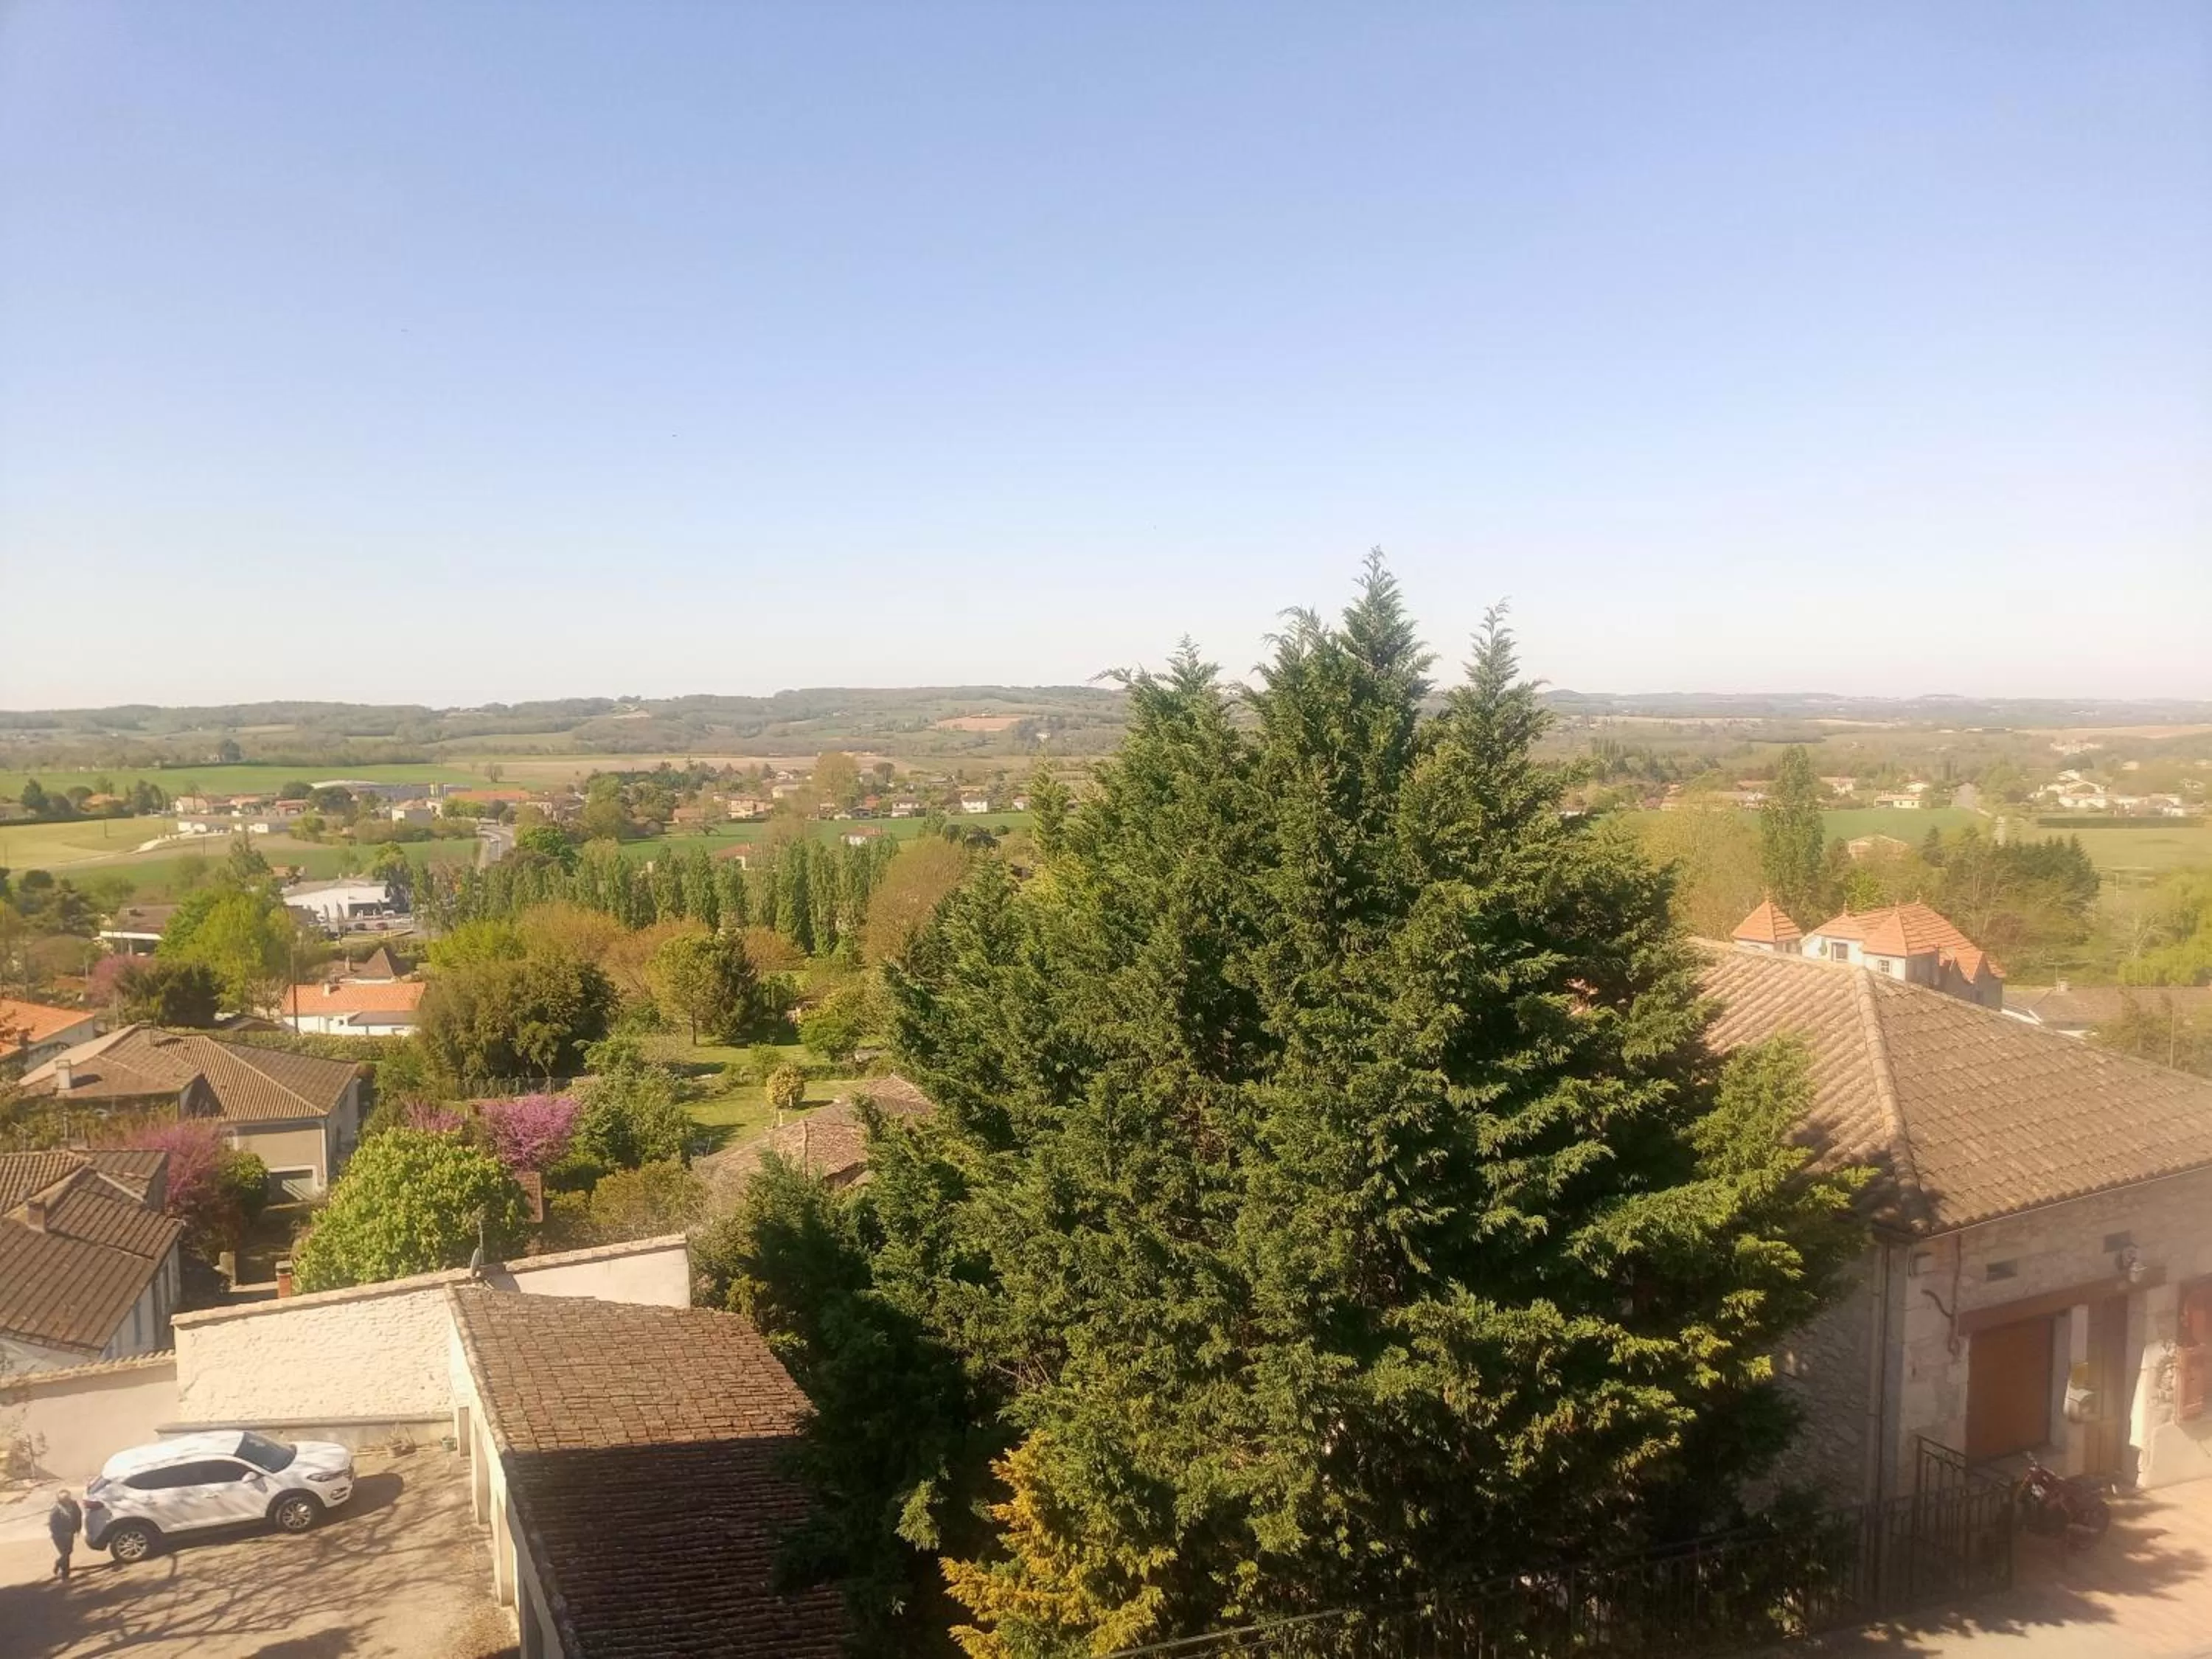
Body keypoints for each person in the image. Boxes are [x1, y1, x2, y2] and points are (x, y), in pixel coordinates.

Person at [48, 1487, 81, 1583]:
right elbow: (53, 1525)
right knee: (65, 1553)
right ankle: (65, 1574)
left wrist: (77, 1529)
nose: (67, 1501)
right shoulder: (56, 1510)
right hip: (59, 1536)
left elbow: (78, 1516)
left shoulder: (74, 1505)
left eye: (68, 1499)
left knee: (69, 1551)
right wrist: (62, 1534)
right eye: (64, 1500)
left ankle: (58, 1563)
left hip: (70, 1533)